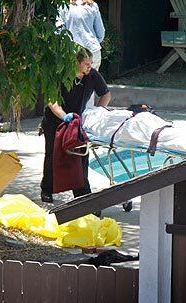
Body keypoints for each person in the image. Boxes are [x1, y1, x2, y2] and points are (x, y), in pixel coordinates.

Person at [40, 48, 111, 203]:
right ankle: (47, 189)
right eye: (86, 63)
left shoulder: (92, 75)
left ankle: (82, 193)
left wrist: (98, 111)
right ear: (76, 63)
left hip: (77, 121)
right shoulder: (61, 75)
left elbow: (105, 94)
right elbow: (52, 100)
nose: (89, 66)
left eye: (91, 63)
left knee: (81, 155)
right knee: (53, 154)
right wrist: (64, 116)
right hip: (55, 120)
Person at [58, 0, 105, 109]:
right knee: (90, 87)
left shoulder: (64, 5)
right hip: (92, 50)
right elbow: (101, 32)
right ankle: (87, 119)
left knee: (70, 86)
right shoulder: (92, 5)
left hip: (71, 51)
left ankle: (71, 118)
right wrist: (91, 43)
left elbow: (59, 29)